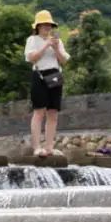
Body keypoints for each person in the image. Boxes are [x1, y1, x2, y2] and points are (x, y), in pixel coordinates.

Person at [24, 10, 70, 157]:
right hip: (39, 75)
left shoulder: (58, 41)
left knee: (53, 112)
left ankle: (49, 147)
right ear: (37, 26)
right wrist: (45, 45)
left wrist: (55, 47)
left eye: (49, 25)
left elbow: (64, 60)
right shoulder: (32, 40)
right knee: (39, 111)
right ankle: (37, 147)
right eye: (43, 25)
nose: (47, 27)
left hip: (55, 75)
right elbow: (32, 58)